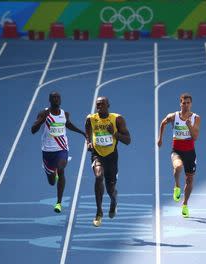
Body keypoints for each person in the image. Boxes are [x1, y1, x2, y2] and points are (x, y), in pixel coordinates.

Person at [31, 91, 86, 213]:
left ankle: (59, 203)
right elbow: (33, 130)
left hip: (62, 149)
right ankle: (51, 171)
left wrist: (82, 132)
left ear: (60, 100)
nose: (56, 99)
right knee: (51, 182)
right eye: (54, 98)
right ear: (50, 100)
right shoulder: (44, 113)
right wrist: (41, 120)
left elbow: (68, 124)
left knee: (61, 169)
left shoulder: (64, 114)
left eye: (58, 97)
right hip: (47, 151)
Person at [85, 96, 131, 227]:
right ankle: (99, 212)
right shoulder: (91, 119)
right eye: (97, 105)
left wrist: (114, 133)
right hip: (97, 155)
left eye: (102, 104)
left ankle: (114, 201)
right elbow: (87, 131)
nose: (99, 107)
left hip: (111, 157)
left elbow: (128, 140)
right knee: (98, 177)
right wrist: (88, 142)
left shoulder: (117, 119)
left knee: (111, 189)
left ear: (108, 105)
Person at [157, 93, 200, 218]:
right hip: (177, 151)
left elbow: (195, 137)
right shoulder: (173, 116)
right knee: (178, 167)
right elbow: (163, 123)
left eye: (188, 103)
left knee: (189, 179)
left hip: (190, 153)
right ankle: (177, 186)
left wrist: (189, 125)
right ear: (180, 103)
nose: (186, 105)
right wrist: (160, 139)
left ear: (191, 104)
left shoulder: (196, 118)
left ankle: (185, 204)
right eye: (183, 102)